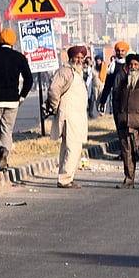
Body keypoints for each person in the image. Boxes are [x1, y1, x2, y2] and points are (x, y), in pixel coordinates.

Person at [0, 28, 33, 171]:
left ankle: (0, 149)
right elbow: (29, 79)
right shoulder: (19, 57)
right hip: (12, 101)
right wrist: (22, 96)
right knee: (7, 131)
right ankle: (5, 162)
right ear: (13, 42)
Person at [45, 46, 90, 189]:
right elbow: (53, 90)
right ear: (71, 58)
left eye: (82, 58)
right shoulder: (66, 71)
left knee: (69, 147)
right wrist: (53, 106)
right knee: (74, 147)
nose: (79, 60)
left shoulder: (77, 72)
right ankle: (65, 179)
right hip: (69, 116)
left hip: (76, 116)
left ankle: (64, 177)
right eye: (77, 57)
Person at [111, 53, 139, 189]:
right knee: (127, 153)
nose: (133, 67)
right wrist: (118, 117)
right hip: (125, 123)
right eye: (131, 64)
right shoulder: (122, 83)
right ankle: (129, 179)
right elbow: (116, 101)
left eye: (136, 65)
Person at [97, 41, 130, 114]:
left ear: (126, 51)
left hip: (128, 98)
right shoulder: (113, 66)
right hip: (116, 98)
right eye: (118, 51)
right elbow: (107, 85)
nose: (120, 53)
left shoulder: (130, 65)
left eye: (122, 51)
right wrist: (103, 101)